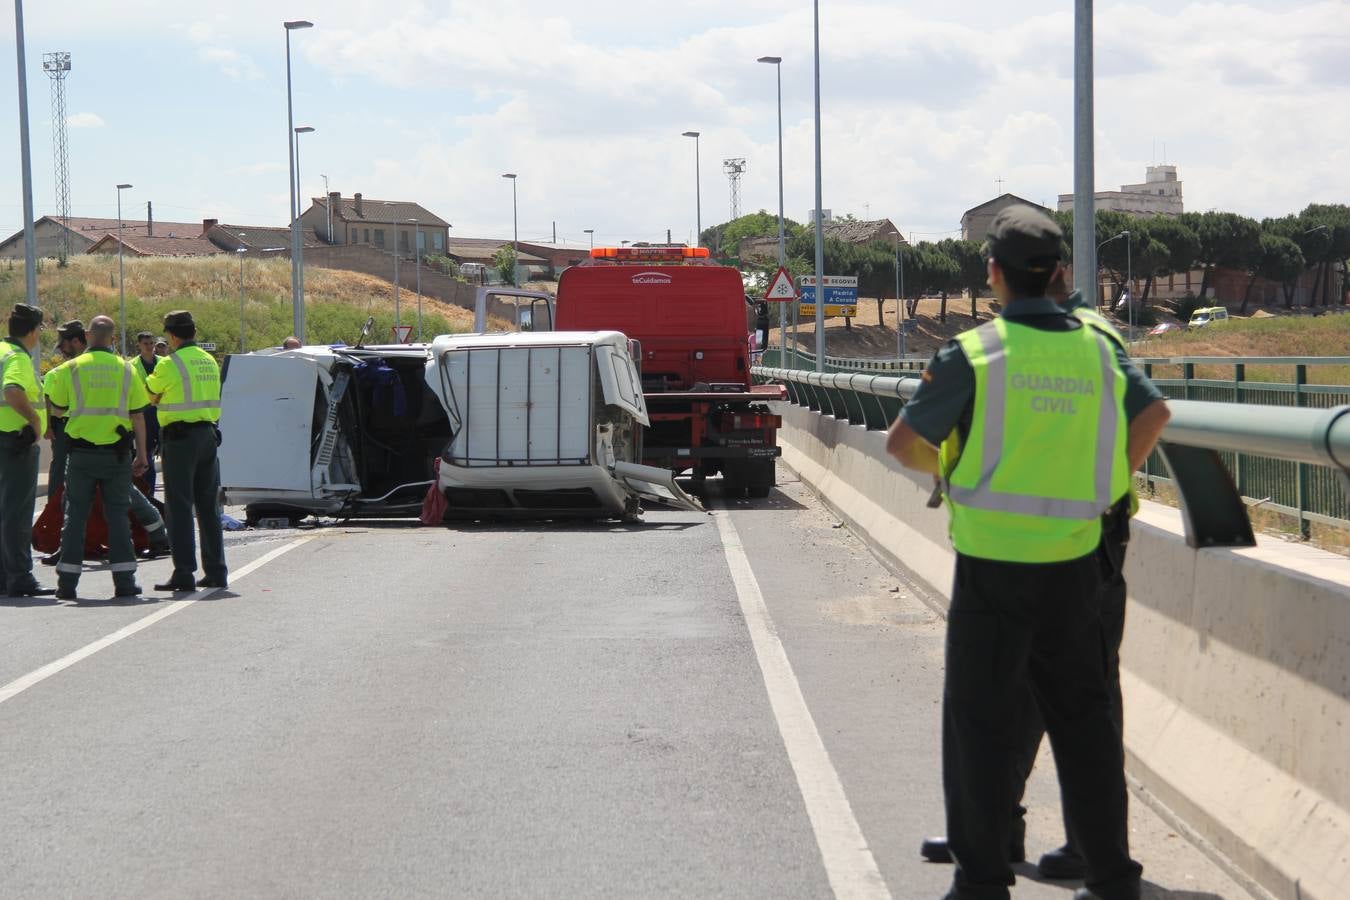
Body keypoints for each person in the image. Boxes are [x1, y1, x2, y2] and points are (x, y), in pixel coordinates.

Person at [886, 206, 1169, 900]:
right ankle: (1111, 877)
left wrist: (954, 476)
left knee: (979, 721)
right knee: (1086, 722)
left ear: (993, 274)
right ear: (1061, 274)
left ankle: (982, 879)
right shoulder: (1098, 347)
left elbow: (902, 443)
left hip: (993, 565)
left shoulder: (976, 352)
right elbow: (1154, 413)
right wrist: (1107, 487)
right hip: (1078, 559)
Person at [43, 316, 149, 600]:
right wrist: (141, 454)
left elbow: (58, 409)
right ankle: (125, 583)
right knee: (117, 517)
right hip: (116, 456)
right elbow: (138, 415)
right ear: (112, 339)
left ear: (88, 335)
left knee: (75, 516)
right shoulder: (127, 370)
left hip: (80, 455)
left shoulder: (71, 368)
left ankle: (67, 584)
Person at [146, 310, 227, 591]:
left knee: (179, 507)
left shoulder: (170, 364)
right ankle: (216, 570)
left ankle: (184, 572)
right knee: (208, 507)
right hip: (207, 435)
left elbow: (152, 394)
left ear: (171, 335)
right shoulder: (208, 360)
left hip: (180, 440)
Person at [0, 304, 55, 597]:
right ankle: (19, 576)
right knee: (17, 513)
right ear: (33, 331)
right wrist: (34, 421)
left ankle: (4, 576)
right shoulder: (17, 358)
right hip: (14, 443)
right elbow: (12, 391)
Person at [45, 320, 87, 497]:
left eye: (63, 344)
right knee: (61, 468)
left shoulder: (61, 372)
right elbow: (48, 399)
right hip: (66, 426)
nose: (61, 349)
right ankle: (55, 511)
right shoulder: (58, 372)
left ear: (76, 341)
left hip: (78, 425)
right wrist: (48, 426)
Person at [134, 331, 162, 494]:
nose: (150, 347)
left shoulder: (165, 363)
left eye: (151, 343)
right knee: (146, 459)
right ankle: (148, 494)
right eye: (146, 344)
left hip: (162, 413)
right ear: (139, 345)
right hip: (143, 415)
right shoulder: (132, 366)